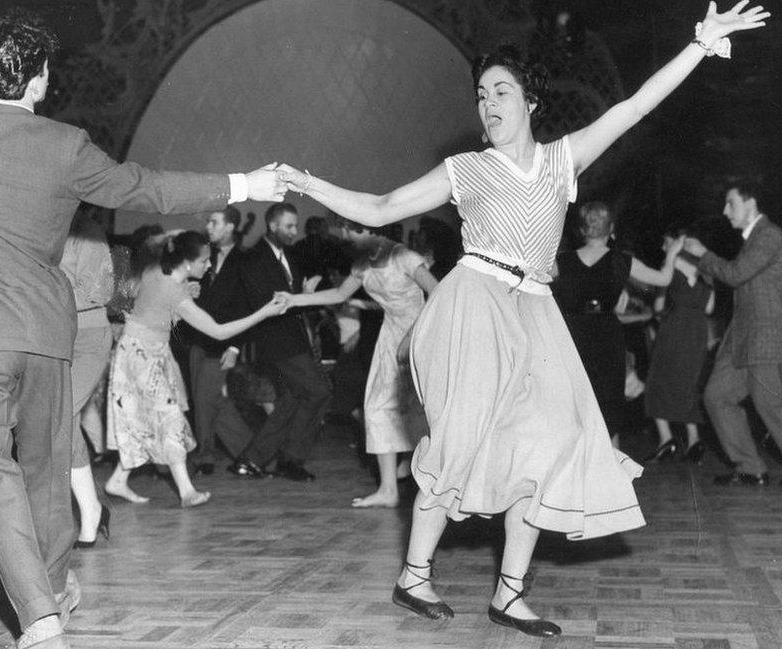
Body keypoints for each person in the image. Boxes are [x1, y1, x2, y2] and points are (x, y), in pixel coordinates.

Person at [278, 3, 768, 636]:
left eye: (501, 91)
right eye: (481, 95)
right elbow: (380, 206)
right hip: (474, 305)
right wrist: (305, 183)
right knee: (459, 446)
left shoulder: (563, 162)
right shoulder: (467, 169)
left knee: (550, 449)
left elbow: (636, 107)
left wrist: (700, 44)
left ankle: (509, 593)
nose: (488, 105)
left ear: (530, 101)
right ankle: (414, 576)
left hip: (536, 311)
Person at [0, 10, 288, 649]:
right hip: (44, 332)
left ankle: (40, 613)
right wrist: (244, 184)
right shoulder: (65, 145)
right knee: (46, 470)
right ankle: (48, 593)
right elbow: (145, 188)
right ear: (39, 79)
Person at [105, 231, 287, 508]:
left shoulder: (161, 274)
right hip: (141, 357)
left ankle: (119, 480)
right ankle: (187, 492)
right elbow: (219, 331)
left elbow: (159, 314)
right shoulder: (171, 288)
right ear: (187, 262)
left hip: (148, 352)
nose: (210, 265)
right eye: (204, 260)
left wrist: (182, 295)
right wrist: (264, 313)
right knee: (169, 418)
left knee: (148, 419)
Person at [281, 220, 437, 507]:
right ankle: (389, 490)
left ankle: (436, 484)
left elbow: (438, 294)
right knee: (377, 407)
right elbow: (339, 295)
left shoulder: (404, 257)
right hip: (390, 337)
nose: (346, 236)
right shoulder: (363, 264)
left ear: (370, 230)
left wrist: (414, 336)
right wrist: (295, 300)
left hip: (422, 334)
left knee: (422, 410)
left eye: (351, 230)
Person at [552, 201, 684, 447]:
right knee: (609, 400)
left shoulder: (562, 261)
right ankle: (611, 469)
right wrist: (673, 254)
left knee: (576, 400)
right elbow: (663, 279)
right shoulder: (623, 261)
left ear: (581, 230)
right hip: (606, 335)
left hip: (572, 335)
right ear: (611, 229)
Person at [684, 178, 782, 485]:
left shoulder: (769, 235)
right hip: (740, 337)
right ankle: (751, 467)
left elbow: (737, 275)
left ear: (750, 203)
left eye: (731, 203)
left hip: (763, 337)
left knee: (770, 405)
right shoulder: (752, 239)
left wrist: (702, 254)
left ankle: (751, 466)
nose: (726, 211)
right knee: (716, 396)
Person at [228, 203, 332, 482]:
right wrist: (302, 298)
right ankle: (290, 459)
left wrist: (303, 293)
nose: (294, 231)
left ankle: (252, 460)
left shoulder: (289, 255)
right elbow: (265, 303)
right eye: (289, 226)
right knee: (319, 389)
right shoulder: (253, 259)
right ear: (272, 226)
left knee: (292, 399)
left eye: (295, 226)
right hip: (276, 340)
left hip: (294, 338)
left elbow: (289, 296)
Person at [182, 207, 256, 474]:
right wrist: (190, 290)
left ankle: (206, 456)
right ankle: (253, 452)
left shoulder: (247, 259)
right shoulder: (204, 254)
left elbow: (249, 306)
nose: (208, 226)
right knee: (209, 400)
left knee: (205, 397)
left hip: (225, 341)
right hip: (197, 338)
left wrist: (236, 347)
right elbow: (192, 292)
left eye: (214, 222)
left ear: (230, 226)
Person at [59, 210, 117, 547]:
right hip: (54, 335)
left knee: (62, 415)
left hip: (88, 337)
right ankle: (92, 507)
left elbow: (100, 293)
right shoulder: (43, 224)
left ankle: (92, 509)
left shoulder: (89, 233)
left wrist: (47, 294)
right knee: (61, 420)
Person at [643, 227, 715, 464]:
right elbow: (709, 308)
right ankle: (694, 440)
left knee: (656, 380)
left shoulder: (669, 266)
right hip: (698, 330)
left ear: (676, 243)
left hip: (675, 328)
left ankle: (667, 439)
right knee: (688, 382)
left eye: (666, 243)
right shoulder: (706, 270)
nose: (664, 248)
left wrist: (669, 259)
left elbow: (658, 307)